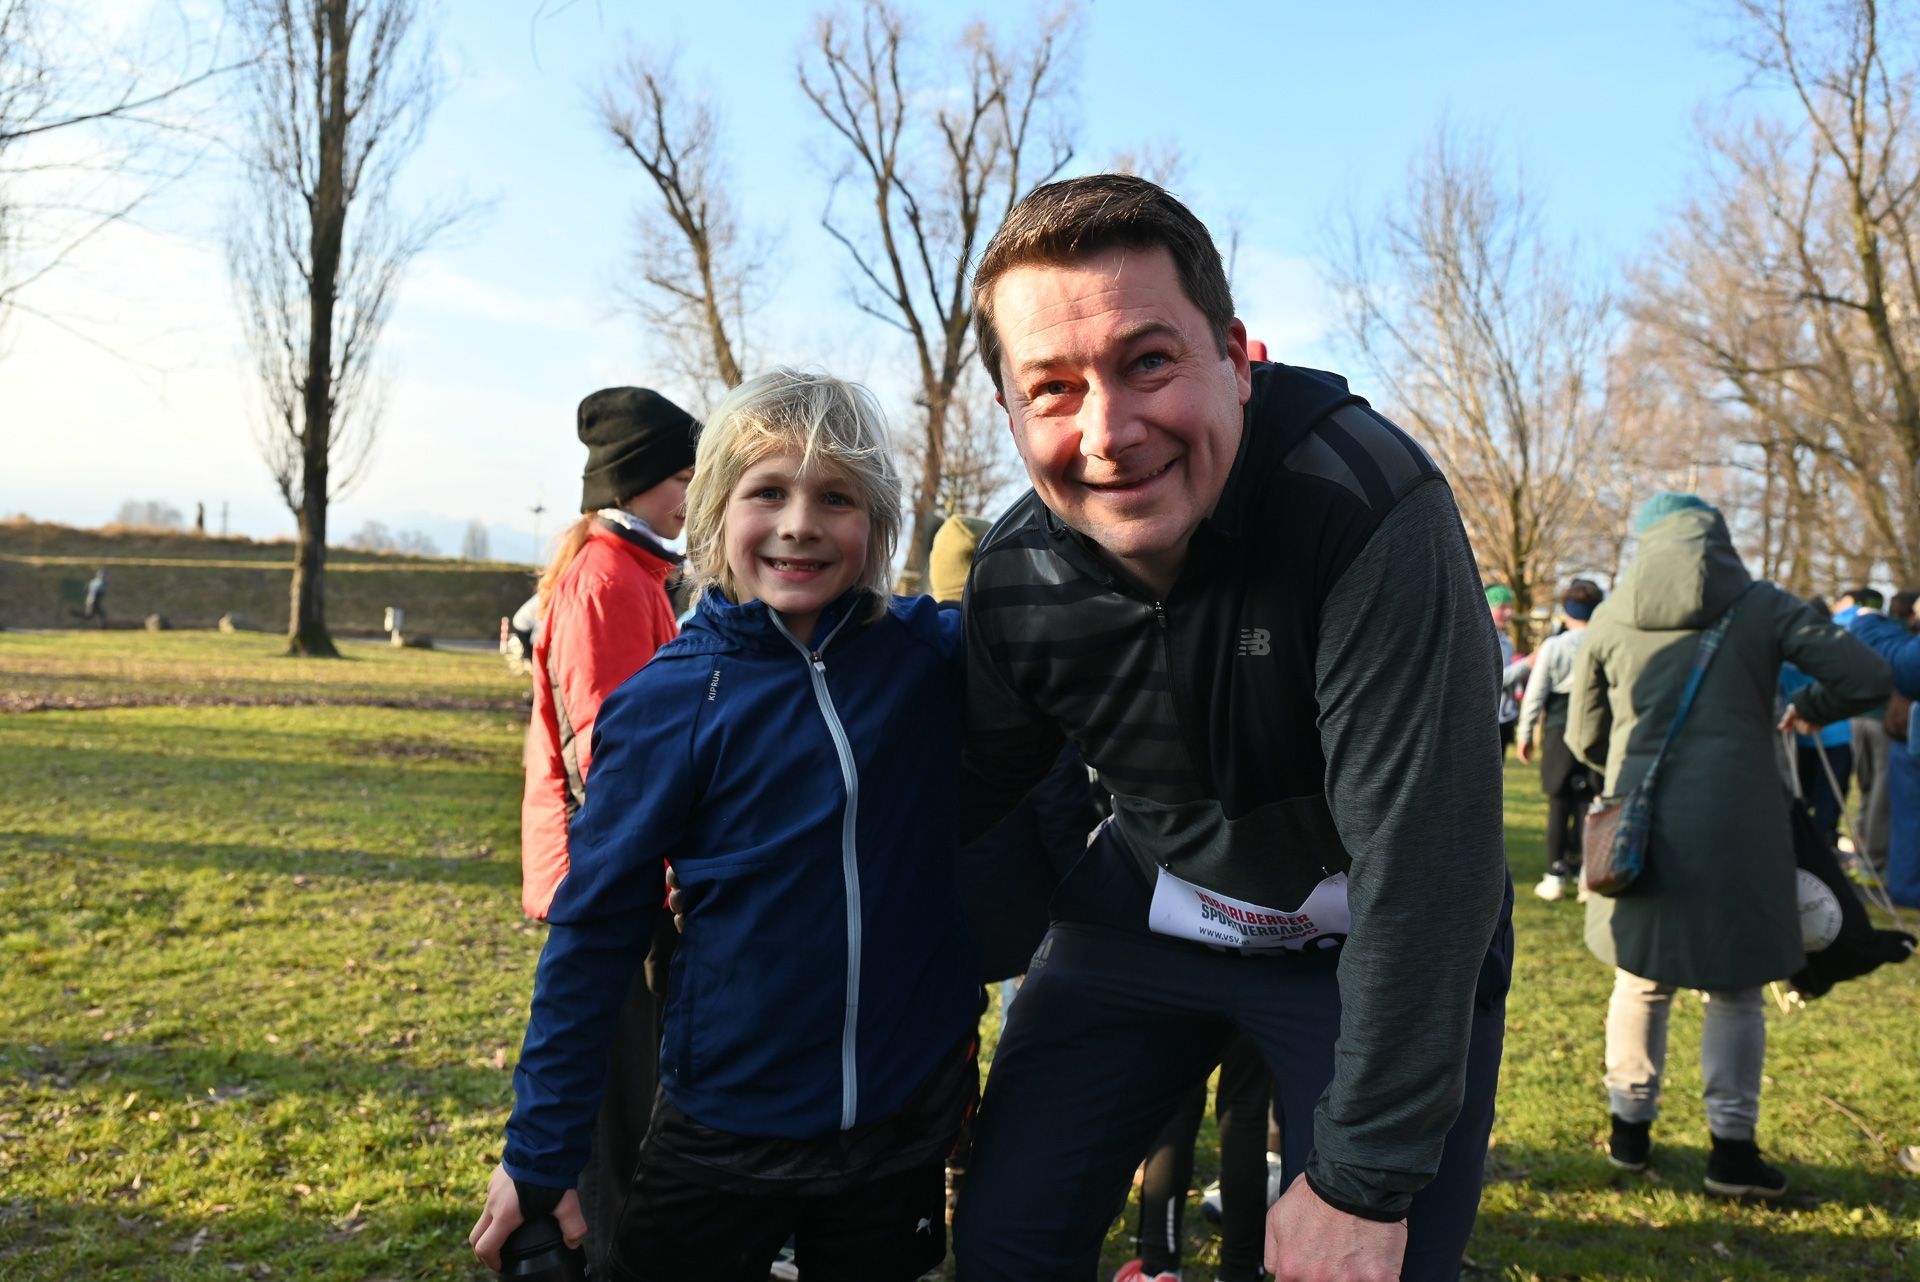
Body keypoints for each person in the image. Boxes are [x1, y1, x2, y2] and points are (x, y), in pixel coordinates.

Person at [951, 174, 1511, 1282]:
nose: (1109, 431)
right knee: (1004, 1242)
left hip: (1366, 938)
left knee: (1363, 1260)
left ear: (1238, 356)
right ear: (1011, 416)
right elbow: (971, 810)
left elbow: (1425, 863)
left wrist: (1362, 1181)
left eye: (1147, 361)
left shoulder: (1364, 506)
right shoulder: (1015, 576)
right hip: (1147, 916)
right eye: (1052, 388)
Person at [472, 369, 981, 1282]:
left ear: (876, 522)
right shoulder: (669, 701)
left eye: (836, 497)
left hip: (899, 1126)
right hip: (730, 1126)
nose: (800, 523)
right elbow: (595, 934)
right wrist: (539, 1156)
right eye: (768, 492)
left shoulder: (925, 657)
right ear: (711, 513)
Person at [1567, 492, 1888, 1197]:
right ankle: (1732, 1153)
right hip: (1741, 827)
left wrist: (1627, 761)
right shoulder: (1766, 606)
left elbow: (1583, 737)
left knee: (1639, 980)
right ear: (1719, 543)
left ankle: (1629, 1133)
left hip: (1637, 830)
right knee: (1737, 990)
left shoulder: (1613, 613)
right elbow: (1866, 679)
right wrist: (1807, 709)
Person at [518, 386, 698, 1276]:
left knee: (632, 1077)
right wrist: (657, 865)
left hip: (623, 867)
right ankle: (595, 1246)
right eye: (681, 476)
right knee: (610, 1085)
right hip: (608, 873)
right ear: (638, 484)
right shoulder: (605, 581)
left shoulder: (637, 572)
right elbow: (610, 753)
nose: (693, 493)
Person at [1516, 579, 1606, 902]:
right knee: (1589, 804)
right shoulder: (1604, 641)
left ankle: (1555, 874)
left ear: (1567, 611)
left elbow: (1535, 694)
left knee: (1559, 804)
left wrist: (1525, 734)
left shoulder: (1555, 646)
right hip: (1595, 731)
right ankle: (1586, 874)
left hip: (1558, 732)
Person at [1851, 591, 1920, 908]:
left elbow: (1905, 667)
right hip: (1883, 725)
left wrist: (1867, 624)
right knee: (1873, 792)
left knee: (1879, 795)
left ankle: (1877, 866)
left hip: (1888, 728)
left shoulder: (1880, 631)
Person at [1834, 587, 1892, 872]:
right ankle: (1872, 859)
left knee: (1867, 785)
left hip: (1852, 715)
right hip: (1882, 716)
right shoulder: (1890, 629)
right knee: (1879, 788)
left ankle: (1862, 850)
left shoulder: (1843, 625)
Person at [1487, 585, 1530, 754]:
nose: (1509, 613)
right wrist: (1526, 664)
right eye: (1503, 607)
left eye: (1511, 607)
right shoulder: (1480, 640)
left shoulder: (1507, 642)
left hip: (1505, 717)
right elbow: (1494, 679)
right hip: (1487, 720)